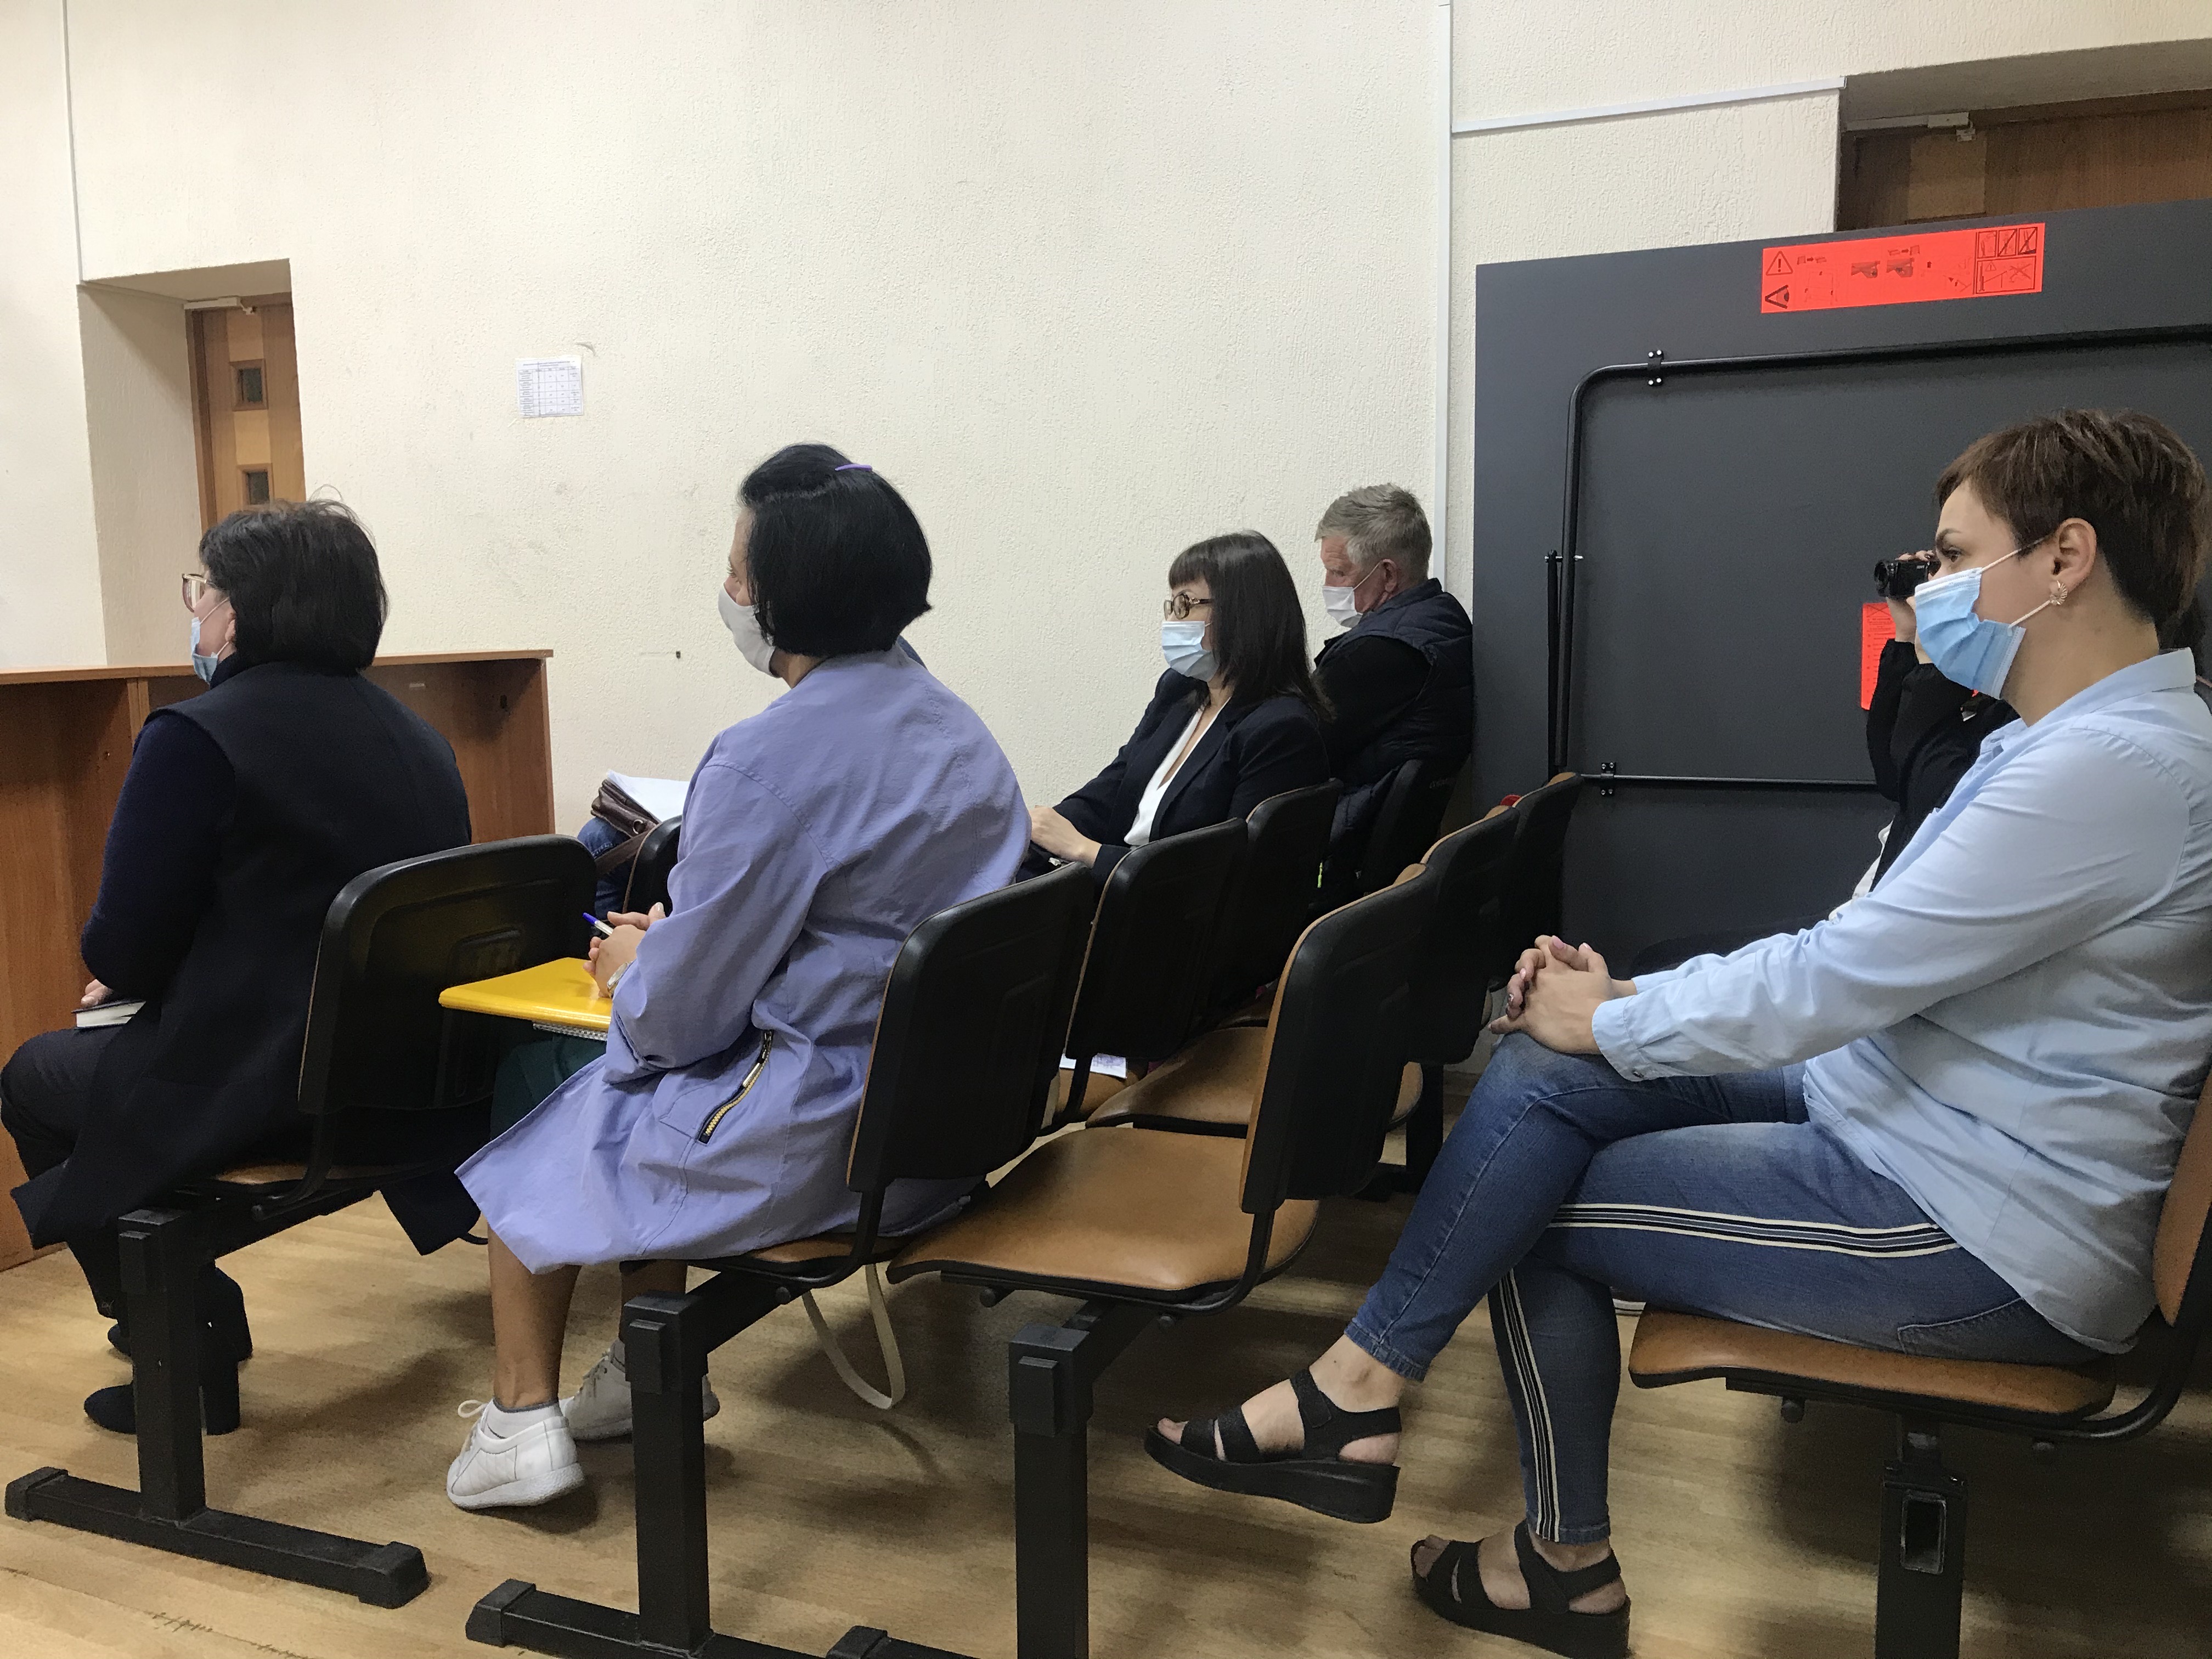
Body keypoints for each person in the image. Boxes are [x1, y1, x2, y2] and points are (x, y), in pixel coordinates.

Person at [1145, 409, 2212, 1658]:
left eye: (1956, 556)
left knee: (1524, 1203)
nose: (1931, 587)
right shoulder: (2069, 745)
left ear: (2066, 558)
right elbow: (1855, 942)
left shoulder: (2115, 771)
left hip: (1981, 1227)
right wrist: (1616, 1009)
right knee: (1543, 1069)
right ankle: (1366, 1398)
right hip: (1902, 1111)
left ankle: (1534, 1543)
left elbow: (1841, 975)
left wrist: (1623, 1014)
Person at [445, 445, 1029, 1511]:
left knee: (549, 1132)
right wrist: (684, 947)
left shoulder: (764, 759)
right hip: (948, 1123)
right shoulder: (958, 728)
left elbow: (679, 1021)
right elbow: (853, 927)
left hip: (825, 1137)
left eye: (735, 571)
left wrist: (639, 965)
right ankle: (634, 1375)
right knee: (636, 1101)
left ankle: (518, 1425)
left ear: (781, 598)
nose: (726, 592)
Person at [0, 501, 478, 1434]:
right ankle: (185, 1312)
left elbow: (120, 949)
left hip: (269, 1085)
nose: (197, 609)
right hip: (409, 1083)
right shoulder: (417, 735)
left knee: (32, 1076)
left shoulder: (196, 735)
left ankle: (178, 1340)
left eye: (203, 590)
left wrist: (139, 975)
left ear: (242, 611)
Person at [1027, 531, 1330, 881]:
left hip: (1167, 906)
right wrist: (1038, 833)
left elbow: (1229, 872)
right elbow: (1116, 784)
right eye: (1171, 605)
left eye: (1185, 604)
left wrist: (1086, 851)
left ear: (1242, 614)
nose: (1172, 620)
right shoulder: (1179, 690)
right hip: (1113, 885)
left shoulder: (1281, 730)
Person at [1311, 486, 1471, 901]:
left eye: (1338, 572)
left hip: (1344, 863)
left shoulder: (1378, 652)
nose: (1327, 585)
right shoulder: (1445, 617)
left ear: (1387, 575)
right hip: (1393, 864)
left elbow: (1297, 748)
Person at [1862, 562, 2017, 887]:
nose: (1935, 581)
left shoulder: (2028, 717)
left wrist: (1937, 662)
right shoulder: (1993, 700)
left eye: (1954, 558)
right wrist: (1907, 637)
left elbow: (1935, 805)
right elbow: (1893, 777)